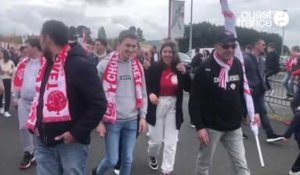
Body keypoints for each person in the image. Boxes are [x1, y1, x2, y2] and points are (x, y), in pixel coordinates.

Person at [26, 20, 107, 175]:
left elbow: (99, 104)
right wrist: (36, 123)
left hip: (71, 144)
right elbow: (41, 98)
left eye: (40, 36)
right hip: (44, 140)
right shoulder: (47, 64)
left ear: (47, 38)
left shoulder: (80, 65)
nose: (39, 40)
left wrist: (76, 133)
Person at [190, 32, 258, 175]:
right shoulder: (205, 67)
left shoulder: (237, 64)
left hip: (233, 126)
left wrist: (251, 112)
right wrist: (199, 126)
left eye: (233, 46)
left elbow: (243, 91)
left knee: (241, 165)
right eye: (226, 46)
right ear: (216, 46)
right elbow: (195, 99)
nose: (230, 50)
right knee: (204, 164)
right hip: (211, 126)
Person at [95, 30, 147, 175]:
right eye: (127, 45)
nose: (130, 50)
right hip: (112, 121)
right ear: (119, 45)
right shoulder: (103, 66)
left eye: (133, 46)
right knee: (112, 160)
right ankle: (98, 172)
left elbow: (143, 93)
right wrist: (98, 121)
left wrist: (143, 116)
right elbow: (94, 96)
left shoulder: (138, 67)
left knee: (128, 159)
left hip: (132, 120)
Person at [146, 41, 191, 175]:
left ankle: (167, 170)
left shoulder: (179, 68)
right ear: (161, 53)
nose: (167, 54)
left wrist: (185, 73)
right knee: (156, 140)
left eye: (170, 52)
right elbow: (146, 85)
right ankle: (152, 155)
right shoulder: (154, 68)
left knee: (171, 141)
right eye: (165, 52)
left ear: (174, 53)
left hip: (174, 106)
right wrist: (150, 94)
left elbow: (189, 87)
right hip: (157, 105)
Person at [244, 39, 284, 143]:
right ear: (256, 46)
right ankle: (234, 132)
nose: (265, 47)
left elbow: (262, 75)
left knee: (263, 112)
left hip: (260, 90)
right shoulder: (246, 59)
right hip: (250, 91)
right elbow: (242, 74)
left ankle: (270, 134)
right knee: (242, 110)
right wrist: (247, 87)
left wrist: (264, 86)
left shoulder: (261, 60)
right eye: (263, 45)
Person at [12, 38, 42, 169]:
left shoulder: (46, 62)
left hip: (39, 102)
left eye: (27, 46)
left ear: (35, 47)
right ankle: (28, 153)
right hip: (24, 101)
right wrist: (15, 96)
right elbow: (17, 78)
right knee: (23, 127)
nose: (24, 49)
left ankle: (39, 153)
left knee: (39, 130)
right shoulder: (23, 62)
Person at [0, 49, 15, 117]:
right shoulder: (0, 62)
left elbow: (13, 70)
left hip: (8, 79)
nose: (0, 55)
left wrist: (9, 72)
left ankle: (6, 110)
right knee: (0, 93)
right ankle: (1, 107)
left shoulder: (11, 62)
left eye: (1, 53)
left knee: (7, 95)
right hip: (1, 79)